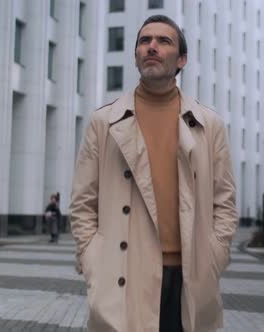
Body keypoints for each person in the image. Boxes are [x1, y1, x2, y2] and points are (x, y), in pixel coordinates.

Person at [70, 15, 238, 332]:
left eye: (164, 41)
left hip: (190, 274)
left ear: (182, 59)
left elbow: (224, 200)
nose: (152, 47)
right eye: (145, 41)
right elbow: (82, 202)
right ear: (135, 55)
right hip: (123, 271)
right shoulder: (103, 122)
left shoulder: (209, 124)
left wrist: (217, 254)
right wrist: (91, 258)